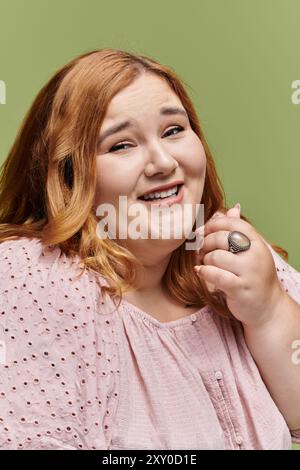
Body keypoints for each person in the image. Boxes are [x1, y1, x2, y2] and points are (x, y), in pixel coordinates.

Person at [0, 48, 299, 450]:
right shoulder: (32, 273)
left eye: (174, 130)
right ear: (68, 177)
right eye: (121, 145)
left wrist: (268, 311)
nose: (162, 162)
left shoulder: (232, 253)